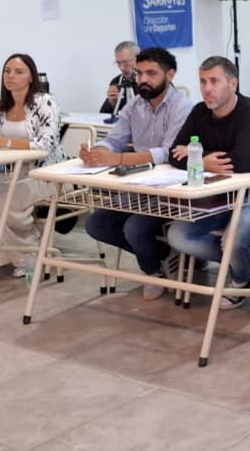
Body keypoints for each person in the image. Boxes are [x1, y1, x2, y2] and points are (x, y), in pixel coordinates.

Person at [166, 57, 250, 309]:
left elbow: (239, 163)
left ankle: (240, 280)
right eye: (203, 81)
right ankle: (246, 262)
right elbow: (173, 154)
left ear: (233, 84)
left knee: (233, 238)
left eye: (214, 81)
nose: (207, 88)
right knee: (178, 235)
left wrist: (197, 157)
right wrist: (204, 161)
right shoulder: (200, 112)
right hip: (222, 194)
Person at [82, 47, 194, 301]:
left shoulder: (183, 106)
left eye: (151, 74)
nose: (143, 79)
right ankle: (161, 258)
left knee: (134, 228)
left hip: (170, 190)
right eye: (140, 73)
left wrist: (118, 159)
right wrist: (96, 151)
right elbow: (114, 140)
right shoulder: (134, 105)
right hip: (139, 186)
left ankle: (151, 270)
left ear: (170, 75)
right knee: (95, 224)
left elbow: (168, 153)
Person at [0, 54, 64, 277]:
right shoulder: (2, 106)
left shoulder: (45, 102)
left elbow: (46, 144)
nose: (11, 76)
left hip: (46, 173)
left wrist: (3, 142)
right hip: (12, 172)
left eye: (18, 72)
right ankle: (2, 258)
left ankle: (30, 253)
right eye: (7, 71)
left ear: (31, 77)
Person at [99, 40, 140, 115]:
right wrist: (112, 103)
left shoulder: (150, 80)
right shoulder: (117, 81)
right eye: (118, 63)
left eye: (126, 63)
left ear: (138, 59)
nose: (122, 68)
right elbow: (102, 115)